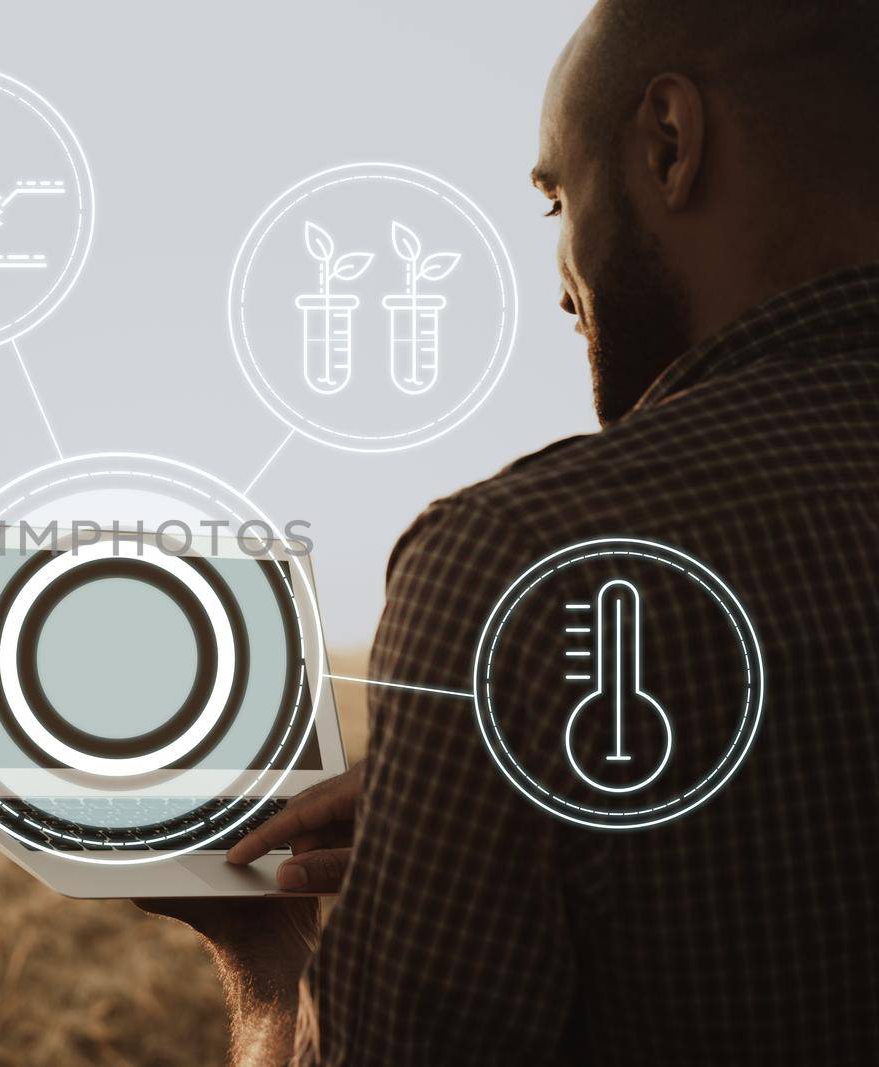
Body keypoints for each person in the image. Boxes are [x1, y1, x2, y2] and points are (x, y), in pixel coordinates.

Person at [144, 2, 879, 1062]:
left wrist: (268, 956)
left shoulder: (529, 565)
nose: (561, 283)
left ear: (667, 144)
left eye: (555, 198)